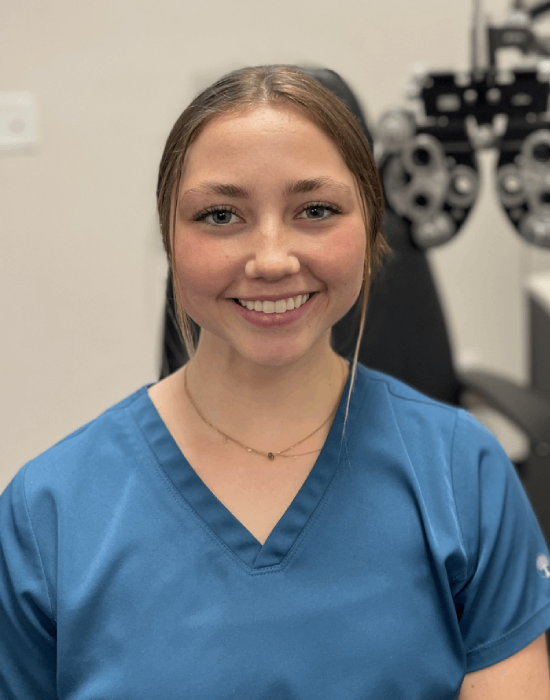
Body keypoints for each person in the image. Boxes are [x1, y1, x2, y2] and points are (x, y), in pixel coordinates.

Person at [1, 65, 550, 700]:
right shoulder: (51, 515)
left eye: (315, 210)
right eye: (219, 215)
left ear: (371, 229)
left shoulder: (464, 476)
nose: (271, 259)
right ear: (169, 239)